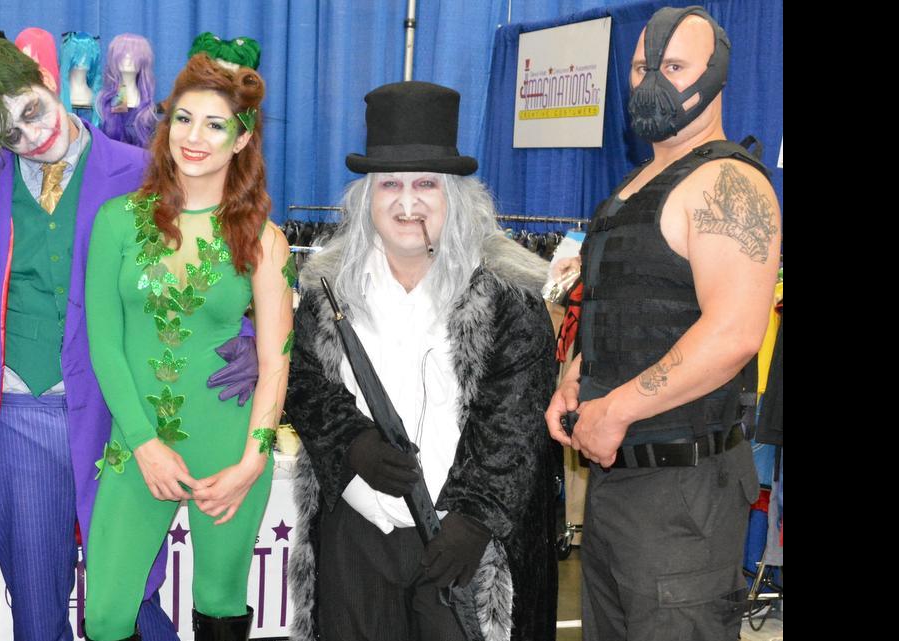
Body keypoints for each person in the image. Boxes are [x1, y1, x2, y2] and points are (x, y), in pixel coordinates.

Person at [286, 80, 560, 641]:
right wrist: (352, 443)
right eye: (390, 184)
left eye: (425, 185)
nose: (407, 204)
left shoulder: (507, 295)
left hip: (458, 545)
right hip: (356, 538)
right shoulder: (327, 291)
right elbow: (303, 383)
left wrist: (474, 518)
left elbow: (515, 421)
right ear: (367, 197)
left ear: (454, 196)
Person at [543, 7, 781, 641]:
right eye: (642, 68)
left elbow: (733, 333)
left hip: (685, 493)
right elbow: (615, 309)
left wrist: (615, 410)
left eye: (673, 68)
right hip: (619, 483)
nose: (652, 84)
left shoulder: (729, 184)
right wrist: (575, 380)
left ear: (716, 75)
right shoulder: (631, 189)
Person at [0, 39, 174, 641]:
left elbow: (201, 271)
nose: (31, 136)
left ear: (47, 78)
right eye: (10, 134)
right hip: (19, 413)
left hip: (118, 413)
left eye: (33, 111)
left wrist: (246, 335)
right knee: (39, 613)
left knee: (130, 600)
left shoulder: (142, 173)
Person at [82, 33, 291, 641]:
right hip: (135, 446)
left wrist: (254, 461)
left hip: (229, 450)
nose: (194, 137)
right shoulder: (117, 222)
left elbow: (276, 362)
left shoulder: (266, 241)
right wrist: (145, 443)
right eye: (184, 119)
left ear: (243, 139)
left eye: (215, 125)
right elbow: (105, 344)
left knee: (221, 600)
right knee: (107, 613)